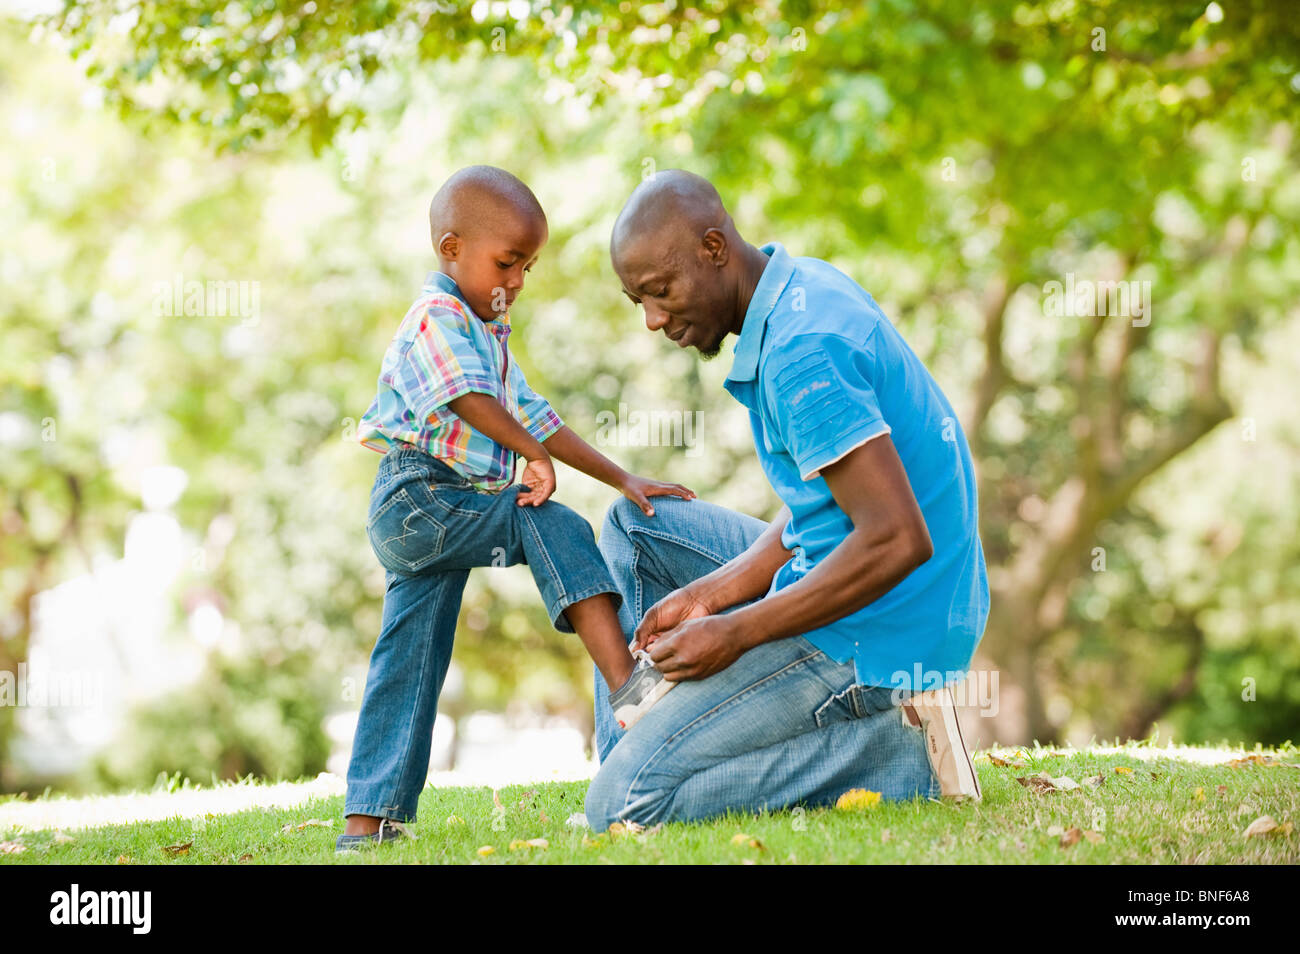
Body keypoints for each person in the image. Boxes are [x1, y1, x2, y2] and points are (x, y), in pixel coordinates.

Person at [584, 170, 989, 830]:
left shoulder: (802, 351)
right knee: (637, 527)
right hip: (872, 577)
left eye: (661, 292)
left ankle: (893, 755)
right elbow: (828, 500)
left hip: (883, 626)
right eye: (640, 302)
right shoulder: (800, 290)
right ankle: (635, 748)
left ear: (715, 248)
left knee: (621, 810)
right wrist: (714, 593)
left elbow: (895, 539)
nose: (655, 319)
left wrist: (737, 629)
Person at [336, 166, 692, 851]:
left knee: (409, 652)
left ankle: (368, 822)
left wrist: (622, 477)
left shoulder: (485, 330)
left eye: (528, 266)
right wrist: (532, 455)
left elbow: (535, 416)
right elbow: (471, 401)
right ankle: (628, 685)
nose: (519, 282)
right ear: (450, 249)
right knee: (552, 520)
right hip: (419, 495)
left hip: (434, 510)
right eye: (508, 263)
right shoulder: (437, 318)